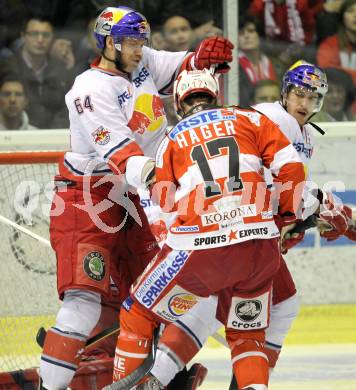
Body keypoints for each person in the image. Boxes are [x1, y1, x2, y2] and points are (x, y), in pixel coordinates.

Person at [37, 5, 233, 390]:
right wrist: (178, 182)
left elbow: (188, 68)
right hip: (87, 200)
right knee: (82, 304)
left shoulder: (143, 63)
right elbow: (124, 156)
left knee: (176, 295)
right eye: (131, 42)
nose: (139, 49)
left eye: (142, 41)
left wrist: (206, 55)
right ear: (108, 43)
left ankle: (158, 378)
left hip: (135, 202)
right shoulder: (89, 90)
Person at [133, 61, 351, 390]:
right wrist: (325, 207)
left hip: (226, 230)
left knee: (210, 307)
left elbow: (286, 186)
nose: (304, 104)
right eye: (299, 94)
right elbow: (276, 183)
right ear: (285, 92)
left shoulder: (299, 130)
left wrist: (305, 216)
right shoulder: (273, 118)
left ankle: (157, 379)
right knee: (278, 305)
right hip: (242, 231)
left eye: (313, 98)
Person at [0, 14, 75, 129]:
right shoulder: (7, 68)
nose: (40, 40)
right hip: (17, 135)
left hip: (55, 137)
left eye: (46, 35)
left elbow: (68, 108)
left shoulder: (61, 70)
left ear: (52, 38)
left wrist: (53, 134)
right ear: (23, 36)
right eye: (34, 34)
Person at [238, 15, 277, 105]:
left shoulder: (273, 63)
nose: (246, 36)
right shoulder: (232, 66)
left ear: (260, 35)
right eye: (241, 33)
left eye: (251, 31)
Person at [316, 0, 356, 83]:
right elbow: (326, 71)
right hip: (340, 92)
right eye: (350, 11)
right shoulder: (330, 44)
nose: (355, 15)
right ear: (342, 17)